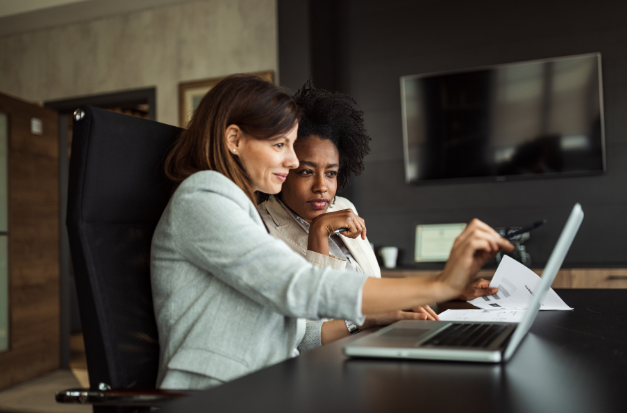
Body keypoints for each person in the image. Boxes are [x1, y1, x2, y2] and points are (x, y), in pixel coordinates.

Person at [151, 74, 513, 390]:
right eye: (280, 145)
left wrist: (374, 316)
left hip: (270, 381)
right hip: (220, 394)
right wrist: (440, 285)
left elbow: (291, 328)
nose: (292, 161)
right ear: (233, 139)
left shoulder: (232, 205)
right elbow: (297, 286)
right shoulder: (203, 198)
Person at [258, 81, 500, 345]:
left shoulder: (343, 208)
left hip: (379, 344)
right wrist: (318, 233)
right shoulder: (261, 231)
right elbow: (304, 337)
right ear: (284, 169)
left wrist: (449, 291)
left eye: (331, 173)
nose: (321, 187)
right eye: (306, 171)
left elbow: (377, 294)